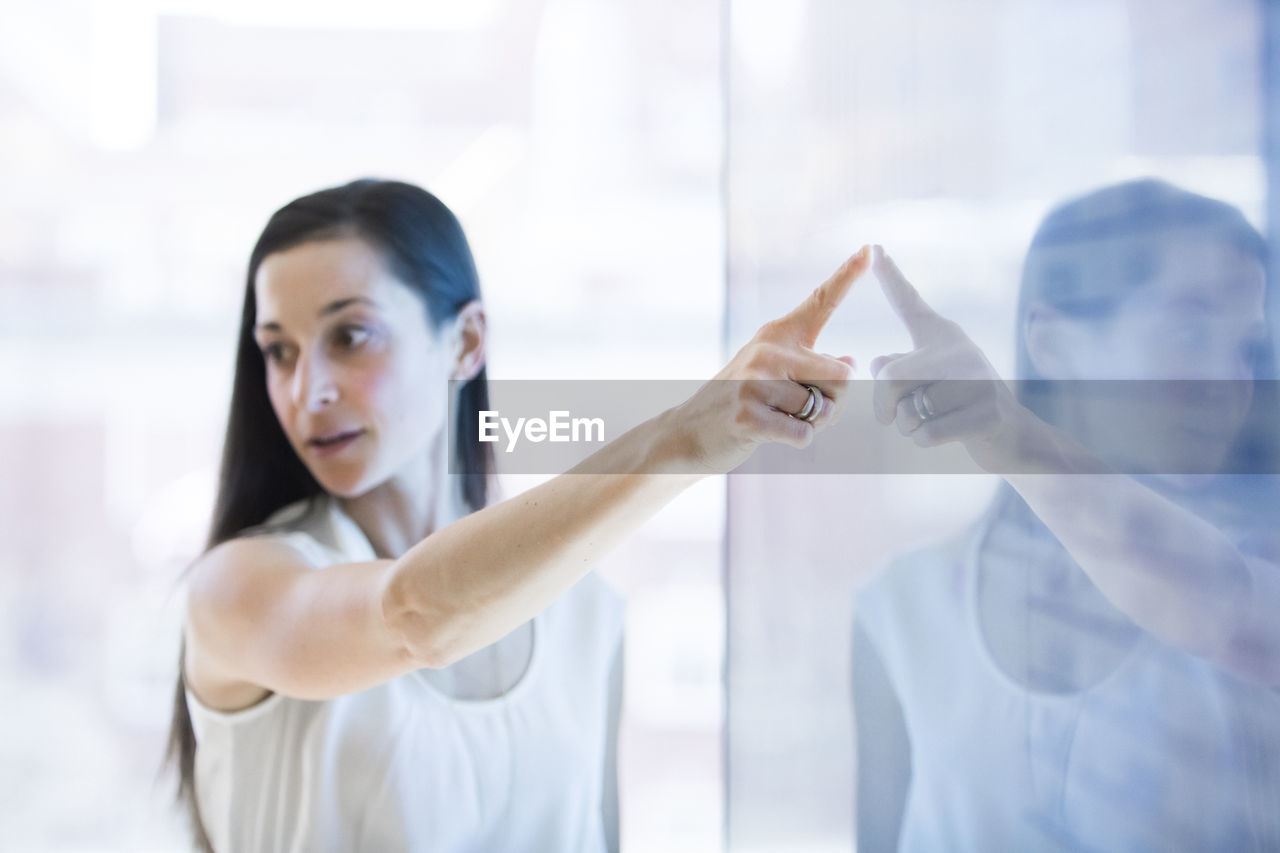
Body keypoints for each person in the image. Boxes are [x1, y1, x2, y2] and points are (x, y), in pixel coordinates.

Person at [165, 178, 868, 852]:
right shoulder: (236, 588)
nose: (305, 389)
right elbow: (413, 617)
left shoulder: (586, 610)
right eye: (278, 350)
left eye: (350, 336)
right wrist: (682, 437)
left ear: (465, 342)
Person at [853, 180, 1280, 851]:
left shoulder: (1251, 582)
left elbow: (1201, 596)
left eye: (1245, 347)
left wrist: (1008, 435)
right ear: (1053, 345)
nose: (1232, 380)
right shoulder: (904, 606)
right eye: (1191, 329)